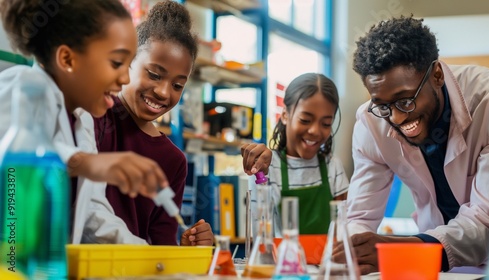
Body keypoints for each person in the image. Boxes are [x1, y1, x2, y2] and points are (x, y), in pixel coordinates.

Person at [341, 15, 489, 274]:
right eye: (383, 105)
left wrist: (401, 252)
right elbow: (360, 216)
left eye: (405, 100)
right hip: (435, 265)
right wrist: (354, 250)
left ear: (437, 75)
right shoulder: (372, 121)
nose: (396, 117)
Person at [0, 0, 169, 244]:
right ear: (67, 59)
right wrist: (84, 162)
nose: (124, 78)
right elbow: (12, 156)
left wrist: (147, 257)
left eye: (128, 65)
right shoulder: (22, 85)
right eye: (116, 63)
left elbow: (93, 213)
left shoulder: (82, 121)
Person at [88, 0, 213, 246]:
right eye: (154, 75)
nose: (164, 92)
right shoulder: (94, 113)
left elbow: (162, 244)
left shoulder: (173, 160)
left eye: (178, 85)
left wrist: (184, 250)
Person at [241, 73, 349, 236]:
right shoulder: (270, 167)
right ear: (285, 115)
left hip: (326, 261)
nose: (314, 131)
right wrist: (259, 176)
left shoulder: (332, 167)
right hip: (282, 261)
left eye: (326, 123)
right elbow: (260, 233)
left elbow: (345, 230)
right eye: (305, 120)